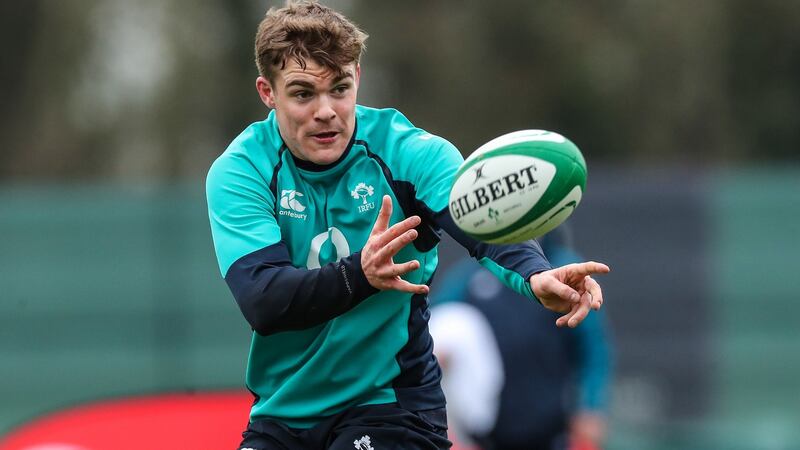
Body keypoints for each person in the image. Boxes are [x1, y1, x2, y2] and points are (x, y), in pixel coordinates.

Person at [205, 2, 610, 449]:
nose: (326, 111)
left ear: (358, 77)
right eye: (303, 94)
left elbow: (480, 226)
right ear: (268, 92)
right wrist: (359, 275)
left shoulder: (411, 153)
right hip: (282, 413)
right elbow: (264, 299)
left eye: (339, 88)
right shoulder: (242, 170)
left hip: (392, 407)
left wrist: (536, 274)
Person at [429, 225, 612, 450]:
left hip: (551, 430)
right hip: (488, 434)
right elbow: (435, 327)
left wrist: (591, 406)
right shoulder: (472, 276)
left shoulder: (566, 272)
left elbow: (593, 351)